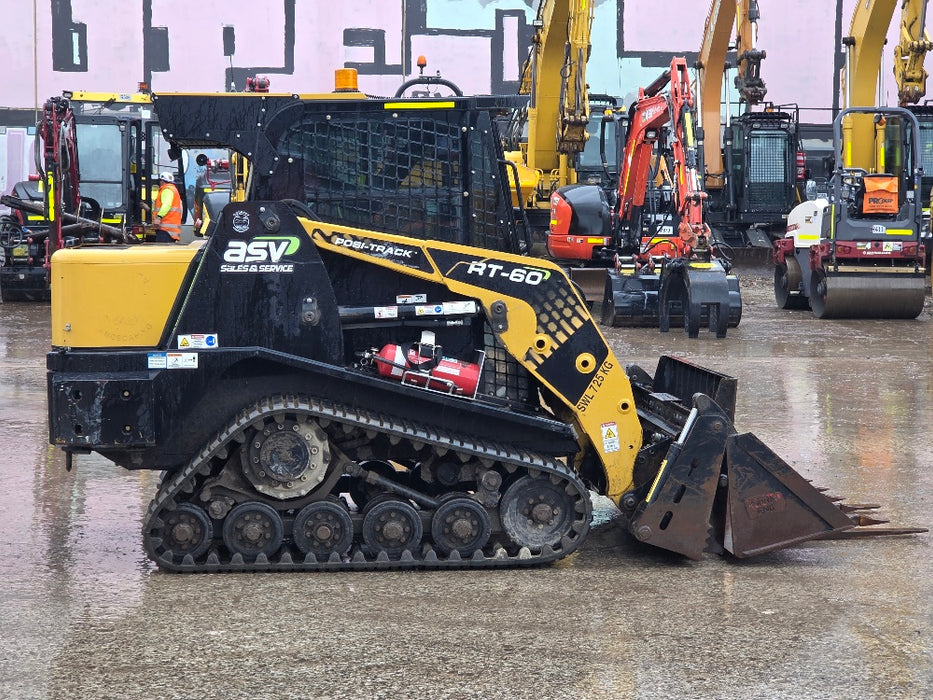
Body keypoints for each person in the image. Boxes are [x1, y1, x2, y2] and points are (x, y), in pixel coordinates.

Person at [152, 171, 183, 242]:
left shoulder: (167, 190)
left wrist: (158, 217)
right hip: (170, 230)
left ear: (162, 181)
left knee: (161, 251)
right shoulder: (173, 190)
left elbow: (166, 205)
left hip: (165, 229)